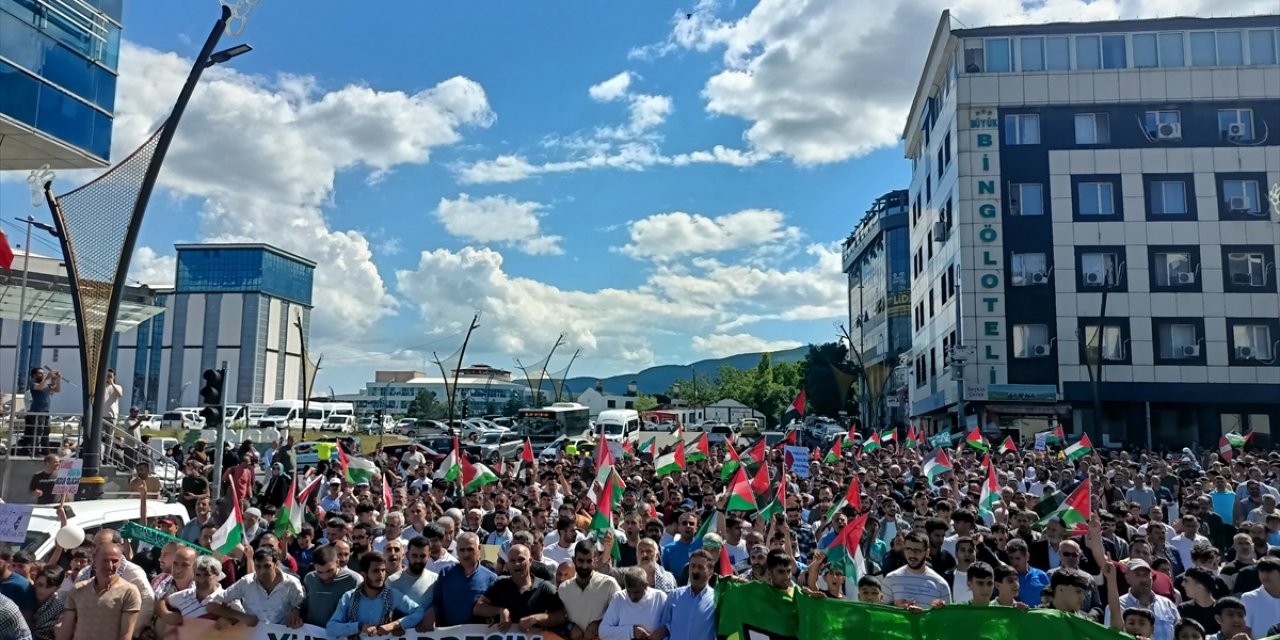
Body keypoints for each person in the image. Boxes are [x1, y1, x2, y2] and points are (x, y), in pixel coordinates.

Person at [325, 552, 424, 638]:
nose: (381, 575)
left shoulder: (392, 595)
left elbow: (419, 612)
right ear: (364, 575)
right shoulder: (349, 597)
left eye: (383, 570)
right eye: (376, 571)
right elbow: (331, 628)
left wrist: (396, 625)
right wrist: (360, 626)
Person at [472, 543, 564, 632]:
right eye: (512, 560)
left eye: (521, 559)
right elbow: (478, 608)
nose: (516, 564)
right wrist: (500, 611)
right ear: (507, 565)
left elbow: (561, 615)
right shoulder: (499, 584)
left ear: (530, 561)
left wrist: (536, 618)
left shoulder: (544, 587)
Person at [59, 542, 141, 640]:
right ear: (95, 561)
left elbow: (126, 635)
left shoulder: (129, 592)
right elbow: (66, 630)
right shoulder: (78, 589)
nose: (110, 566)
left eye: (114, 561)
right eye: (105, 561)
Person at [206, 547, 305, 627]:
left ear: (276, 564)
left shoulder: (292, 583)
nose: (262, 571)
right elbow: (212, 604)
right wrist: (239, 616)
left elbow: (302, 605)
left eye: (267, 566)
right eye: (258, 566)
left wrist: (296, 612)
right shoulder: (246, 582)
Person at [422, 532, 498, 628]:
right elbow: (437, 601)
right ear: (457, 551)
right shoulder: (445, 573)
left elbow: (494, 608)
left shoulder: (491, 578)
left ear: (479, 549)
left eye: (470, 549)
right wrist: (431, 612)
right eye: (462, 550)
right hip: (448, 635)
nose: (466, 554)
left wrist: (493, 617)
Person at [558, 540, 620, 640]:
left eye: (588, 561)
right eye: (581, 561)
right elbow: (557, 620)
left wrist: (599, 624)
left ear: (595, 560)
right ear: (574, 560)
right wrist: (570, 627)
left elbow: (620, 614)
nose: (584, 566)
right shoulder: (563, 589)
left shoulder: (609, 584)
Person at [1105, 558, 1180, 640]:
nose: (1143, 579)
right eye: (1138, 575)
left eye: (1146, 574)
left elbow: (1180, 635)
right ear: (1127, 578)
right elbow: (1112, 636)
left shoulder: (1168, 605)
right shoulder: (1116, 606)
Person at [157, 555, 236, 630]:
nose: (201, 580)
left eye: (207, 575)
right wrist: (165, 614)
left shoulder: (229, 599)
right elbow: (162, 601)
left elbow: (244, 621)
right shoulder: (185, 595)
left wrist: (230, 619)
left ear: (217, 575)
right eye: (198, 575)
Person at [291, 544, 361, 628]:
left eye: (329, 571)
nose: (325, 576)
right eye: (320, 572)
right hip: (312, 633)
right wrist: (295, 610)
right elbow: (302, 602)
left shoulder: (354, 580)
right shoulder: (309, 578)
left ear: (337, 562)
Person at [881, 530, 951, 609]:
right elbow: (882, 613)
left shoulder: (940, 584)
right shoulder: (891, 579)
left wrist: (940, 611)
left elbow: (948, 618)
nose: (912, 554)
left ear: (927, 552)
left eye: (917, 550)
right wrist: (897, 608)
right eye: (908, 549)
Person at [598, 566, 666, 640]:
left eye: (636, 592)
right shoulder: (619, 598)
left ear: (646, 585)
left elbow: (672, 625)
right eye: (629, 591)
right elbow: (603, 632)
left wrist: (662, 631)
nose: (632, 597)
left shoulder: (660, 597)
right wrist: (632, 631)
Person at [20, 367, 60, 455]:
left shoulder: (45, 384)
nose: (42, 375)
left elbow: (57, 389)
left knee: (46, 431)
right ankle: (35, 451)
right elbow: (40, 387)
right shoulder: (33, 383)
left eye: (43, 373)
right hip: (37, 412)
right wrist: (49, 377)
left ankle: (45, 451)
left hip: (46, 412)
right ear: (34, 375)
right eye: (40, 373)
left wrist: (58, 379)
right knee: (38, 432)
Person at [388, 536, 438, 602]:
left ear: (429, 556)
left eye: (422, 556)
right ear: (407, 555)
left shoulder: (435, 580)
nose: (418, 560)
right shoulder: (392, 582)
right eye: (414, 556)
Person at [1239, 556, 1280, 635]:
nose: (1264, 575)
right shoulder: (1248, 598)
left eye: (1269, 570)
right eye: (1261, 570)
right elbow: (1245, 632)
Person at [29, 565, 65, 640]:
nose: (42, 590)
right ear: (34, 581)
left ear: (57, 588)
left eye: (48, 587)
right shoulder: (24, 598)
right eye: (40, 585)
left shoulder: (60, 609)